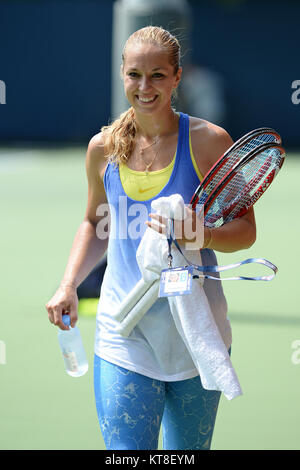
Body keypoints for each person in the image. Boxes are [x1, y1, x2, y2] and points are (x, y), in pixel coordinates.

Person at [46, 26, 256, 450]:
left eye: (158, 75)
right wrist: (68, 284)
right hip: (123, 332)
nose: (145, 87)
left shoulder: (210, 142)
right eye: (135, 75)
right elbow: (94, 222)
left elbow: (246, 232)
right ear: (122, 74)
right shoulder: (102, 148)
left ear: (177, 77)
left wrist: (200, 231)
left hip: (197, 335)